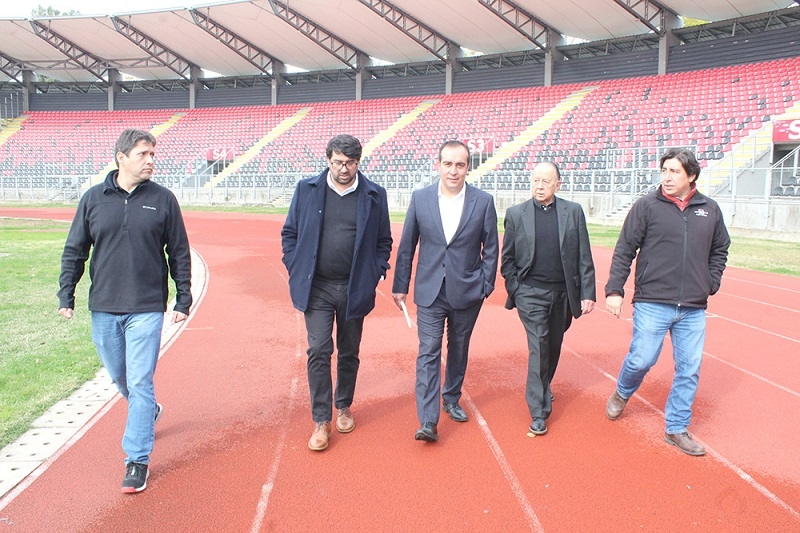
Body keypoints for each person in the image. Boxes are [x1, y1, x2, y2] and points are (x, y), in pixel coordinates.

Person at [58, 128, 192, 493]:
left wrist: (183, 298)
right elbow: (75, 250)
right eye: (143, 154)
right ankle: (148, 410)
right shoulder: (93, 199)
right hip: (103, 306)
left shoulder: (163, 199)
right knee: (120, 378)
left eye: (153, 154)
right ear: (122, 157)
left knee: (139, 380)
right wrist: (65, 294)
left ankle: (136, 460)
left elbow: (178, 251)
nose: (151, 160)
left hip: (147, 306)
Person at [605, 148, 730, 456]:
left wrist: (710, 283)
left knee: (689, 369)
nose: (667, 177)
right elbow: (625, 249)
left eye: (674, 171)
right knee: (642, 359)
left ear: (691, 176)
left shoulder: (710, 210)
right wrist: (614, 290)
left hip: (693, 307)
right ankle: (622, 392)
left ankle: (676, 428)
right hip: (653, 300)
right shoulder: (646, 206)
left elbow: (720, 249)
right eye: (664, 170)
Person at [281, 134, 392, 452]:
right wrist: (293, 263)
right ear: (328, 160)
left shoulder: (374, 195)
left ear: (359, 161)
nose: (344, 169)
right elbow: (290, 232)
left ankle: (343, 405)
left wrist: (375, 271)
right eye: (338, 162)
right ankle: (321, 419)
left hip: (354, 287)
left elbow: (384, 240)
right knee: (318, 349)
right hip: (316, 286)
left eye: (351, 162)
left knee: (348, 350)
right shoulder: (307, 190)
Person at [392, 140, 499, 442]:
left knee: (459, 347)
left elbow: (490, 248)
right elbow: (407, 245)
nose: (454, 170)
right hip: (430, 290)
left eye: (460, 164)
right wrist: (400, 285)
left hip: (468, 291)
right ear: (437, 165)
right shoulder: (421, 198)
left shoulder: (483, 201)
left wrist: (485, 285)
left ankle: (451, 396)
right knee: (428, 351)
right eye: (448, 164)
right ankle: (428, 421)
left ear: (468, 167)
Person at [501, 162, 596, 436]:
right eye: (535, 180)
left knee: (553, 344)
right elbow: (507, 259)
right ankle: (538, 411)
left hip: (564, 294)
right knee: (540, 345)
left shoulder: (573, 212)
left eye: (545, 181)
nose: (539, 186)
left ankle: (544, 385)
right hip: (530, 293)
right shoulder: (516, 214)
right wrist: (516, 288)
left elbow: (583, 255)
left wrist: (587, 292)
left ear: (558, 184)